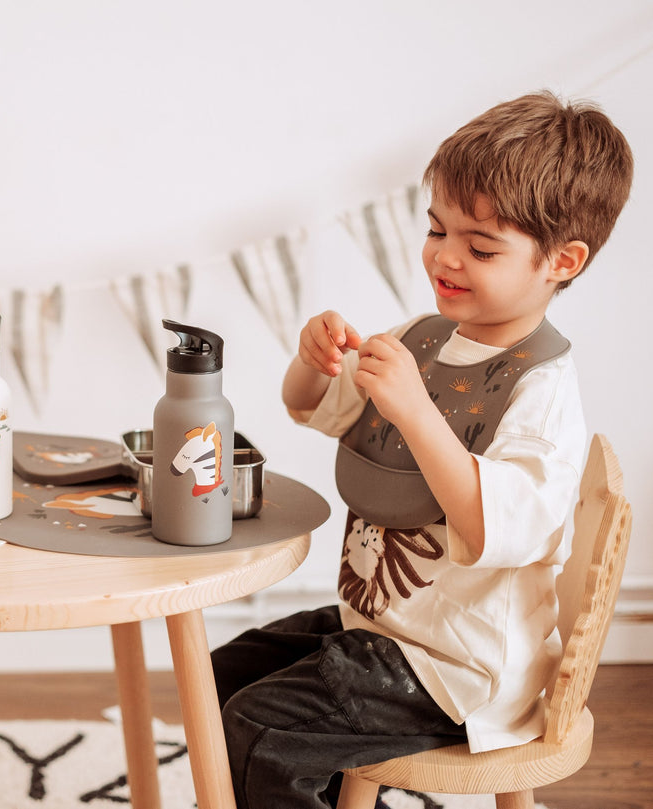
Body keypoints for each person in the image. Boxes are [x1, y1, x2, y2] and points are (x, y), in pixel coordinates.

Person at [212, 90, 634, 809]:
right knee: (218, 670)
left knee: (260, 727)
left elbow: (487, 526)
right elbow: (309, 404)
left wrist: (413, 410)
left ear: (561, 261)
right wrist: (314, 360)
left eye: (481, 246)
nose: (445, 256)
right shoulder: (426, 339)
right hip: (381, 628)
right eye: (437, 229)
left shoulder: (541, 394)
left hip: (456, 668)